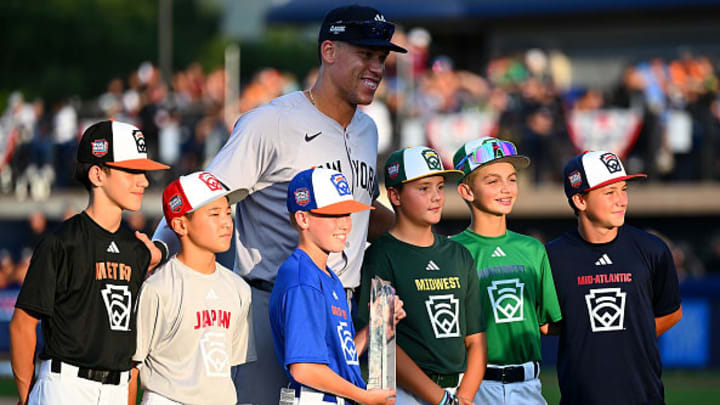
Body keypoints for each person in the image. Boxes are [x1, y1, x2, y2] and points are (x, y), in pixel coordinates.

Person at [151, 5, 407, 404]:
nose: (377, 67)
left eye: (381, 57)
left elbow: (360, 210)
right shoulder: (269, 122)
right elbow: (201, 196)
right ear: (329, 51)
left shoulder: (367, 130)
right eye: (365, 54)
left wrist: (425, 242)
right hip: (272, 302)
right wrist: (157, 253)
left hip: (338, 305)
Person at [9, 120, 168, 405]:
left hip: (118, 389)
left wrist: (160, 252)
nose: (143, 181)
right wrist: (25, 396)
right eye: (132, 171)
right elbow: (23, 323)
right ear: (97, 174)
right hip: (64, 386)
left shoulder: (136, 249)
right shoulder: (61, 242)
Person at [545, 150, 683, 404]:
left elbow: (671, 312)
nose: (621, 200)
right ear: (580, 200)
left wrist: (628, 337)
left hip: (644, 396)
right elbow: (543, 323)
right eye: (609, 192)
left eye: (623, 189)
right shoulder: (551, 257)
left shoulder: (653, 249)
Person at [357, 146, 486, 405]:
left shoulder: (458, 254)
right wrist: (441, 400)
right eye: (424, 188)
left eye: (440, 187)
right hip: (404, 394)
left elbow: (475, 339)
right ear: (395, 195)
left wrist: (465, 397)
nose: (436, 196)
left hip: (459, 392)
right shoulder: (381, 255)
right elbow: (383, 343)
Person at [270, 167, 403, 405]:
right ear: (303, 218)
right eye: (333, 215)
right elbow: (304, 368)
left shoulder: (326, 275)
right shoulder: (302, 277)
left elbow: (341, 356)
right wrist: (364, 397)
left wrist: (378, 324)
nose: (345, 225)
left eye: (347, 214)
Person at [449, 137, 562, 404]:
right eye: (492, 181)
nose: (506, 188)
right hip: (473, 388)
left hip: (528, 386)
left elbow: (546, 323)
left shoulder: (533, 249)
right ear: (466, 191)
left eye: (511, 179)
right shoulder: (449, 252)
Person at [132, 171, 255, 405]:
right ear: (180, 224)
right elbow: (131, 368)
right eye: (214, 213)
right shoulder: (158, 287)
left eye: (228, 212)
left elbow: (229, 367)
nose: (226, 222)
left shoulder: (239, 289)